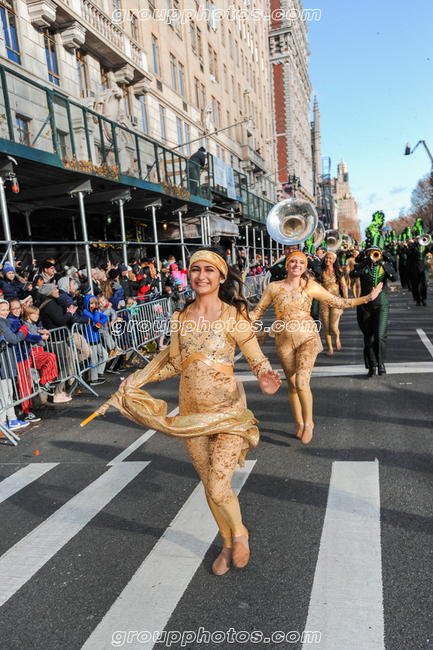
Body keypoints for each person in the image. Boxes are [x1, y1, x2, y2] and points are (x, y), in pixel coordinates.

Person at [109, 247, 281, 575]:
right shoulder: (179, 318)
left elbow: (256, 357)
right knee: (208, 484)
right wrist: (139, 378)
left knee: (218, 486)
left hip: (228, 411)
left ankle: (240, 534)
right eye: (195, 269)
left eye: (209, 270)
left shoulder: (233, 315)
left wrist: (264, 375)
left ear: (221, 276)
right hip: (190, 415)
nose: (201, 276)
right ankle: (227, 543)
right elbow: (175, 364)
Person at [250, 251, 382, 444]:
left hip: (308, 339)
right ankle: (298, 422)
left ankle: (309, 423)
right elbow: (257, 313)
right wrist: (237, 317)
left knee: (302, 382)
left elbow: (337, 302)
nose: (297, 265)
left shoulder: (310, 286)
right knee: (292, 384)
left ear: (305, 267)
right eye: (293, 262)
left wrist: (366, 298)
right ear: (287, 265)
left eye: (301, 262)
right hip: (283, 341)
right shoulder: (273, 287)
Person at [349, 247, 398, 376]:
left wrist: (383, 262)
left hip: (381, 305)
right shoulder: (363, 266)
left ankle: (381, 363)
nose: (373, 254)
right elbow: (353, 274)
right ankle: (372, 365)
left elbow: (395, 277)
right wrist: (365, 261)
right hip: (365, 306)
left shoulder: (384, 266)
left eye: (375, 252)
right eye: (370, 252)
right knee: (368, 337)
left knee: (380, 336)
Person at [318, 252, 348, 355]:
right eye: (326, 258)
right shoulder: (321, 271)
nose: (328, 260)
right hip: (323, 302)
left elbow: (344, 285)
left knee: (333, 327)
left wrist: (345, 299)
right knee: (326, 327)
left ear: (334, 260)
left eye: (330, 258)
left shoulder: (338, 272)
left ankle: (337, 338)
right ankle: (330, 348)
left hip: (335, 301)